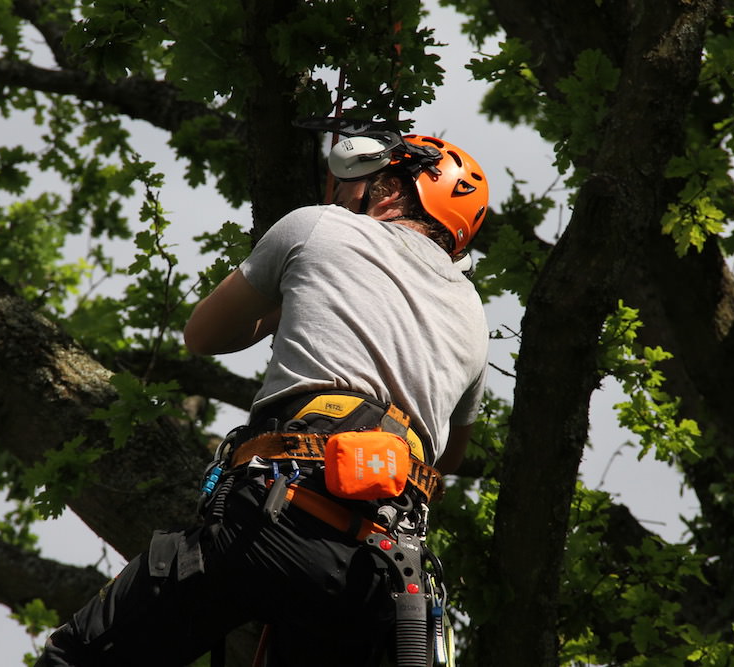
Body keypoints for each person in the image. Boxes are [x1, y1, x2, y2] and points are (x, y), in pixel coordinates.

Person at [37, 130, 490, 667]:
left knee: (77, 656)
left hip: (276, 520)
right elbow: (449, 458)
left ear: (390, 191)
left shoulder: (320, 226)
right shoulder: (474, 317)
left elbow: (203, 335)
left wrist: (289, 296)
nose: (347, 195)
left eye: (361, 185)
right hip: (377, 573)